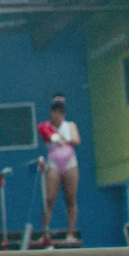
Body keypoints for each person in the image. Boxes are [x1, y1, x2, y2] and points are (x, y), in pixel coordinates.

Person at [36, 94, 81, 245]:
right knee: (49, 199)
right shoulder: (45, 127)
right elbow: (45, 135)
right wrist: (55, 136)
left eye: (60, 112)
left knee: (71, 199)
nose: (57, 114)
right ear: (51, 112)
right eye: (54, 112)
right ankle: (45, 233)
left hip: (70, 163)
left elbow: (76, 140)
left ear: (63, 113)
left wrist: (63, 137)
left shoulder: (70, 126)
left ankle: (70, 234)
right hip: (54, 163)